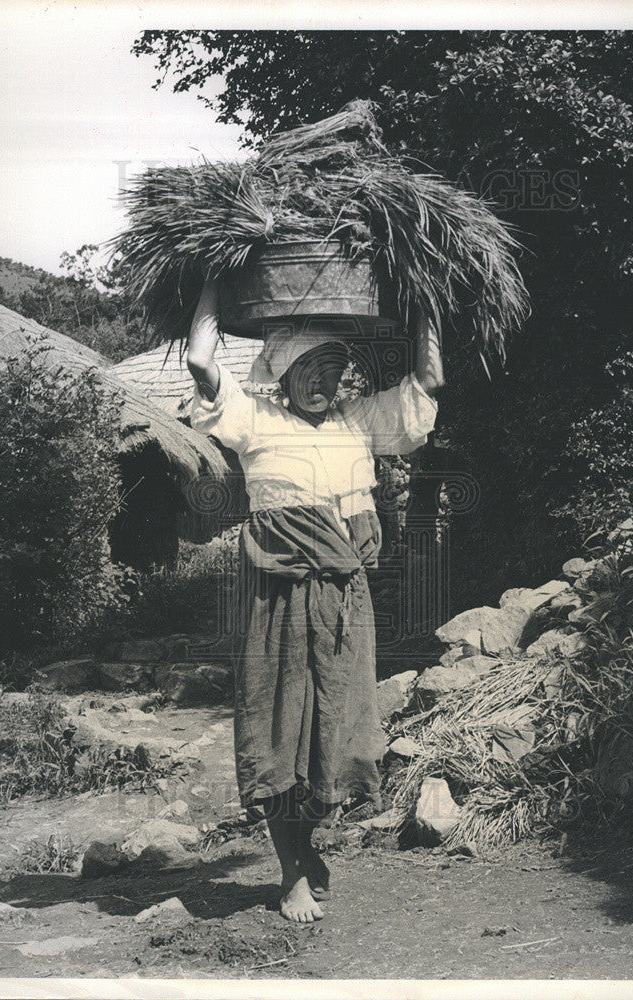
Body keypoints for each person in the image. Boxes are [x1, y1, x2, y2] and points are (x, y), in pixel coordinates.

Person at [187, 281, 444, 923]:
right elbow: (200, 363)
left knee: (338, 726)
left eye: (336, 370)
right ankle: (290, 871)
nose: (326, 383)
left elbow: (429, 383)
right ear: (282, 372)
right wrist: (216, 286)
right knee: (280, 725)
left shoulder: (359, 420)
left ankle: (306, 848)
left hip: (344, 600)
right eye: (312, 371)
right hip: (275, 597)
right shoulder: (254, 417)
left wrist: (425, 301)